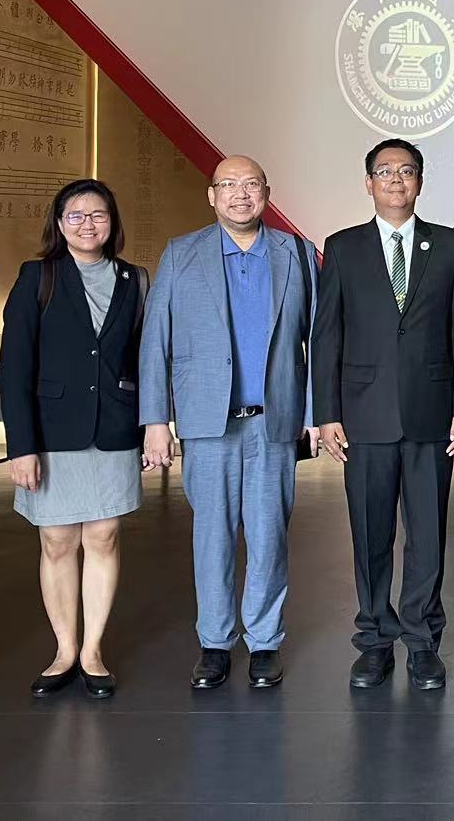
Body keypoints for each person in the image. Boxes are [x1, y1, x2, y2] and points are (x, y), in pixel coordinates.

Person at [139, 156, 319, 691]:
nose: (241, 194)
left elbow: (319, 339)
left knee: (269, 539)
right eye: (229, 185)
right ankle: (215, 643)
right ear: (211, 195)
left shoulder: (296, 253)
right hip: (207, 423)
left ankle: (264, 642)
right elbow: (155, 341)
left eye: (251, 184)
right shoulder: (182, 253)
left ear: (267, 192)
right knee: (212, 538)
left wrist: (315, 416)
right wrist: (155, 419)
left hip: (274, 423)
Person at [312, 139, 454, 691]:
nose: (395, 180)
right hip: (363, 417)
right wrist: (327, 413)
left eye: (406, 171)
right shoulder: (342, 248)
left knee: (427, 535)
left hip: (433, 415)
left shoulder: (451, 246)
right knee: (370, 534)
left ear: (420, 182)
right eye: (384, 171)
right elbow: (327, 335)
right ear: (368, 183)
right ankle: (374, 640)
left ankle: (422, 641)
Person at [0, 179, 145, 700]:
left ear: (113, 221)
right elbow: (14, 365)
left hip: (114, 427)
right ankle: (64, 649)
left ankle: (92, 651)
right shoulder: (37, 276)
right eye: (76, 215)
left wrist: (152, 425)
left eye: (98, 214)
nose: (88, 224)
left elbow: (142, 359)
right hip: (52, 431)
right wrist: (21, 445)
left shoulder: (134, 279)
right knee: (57, 541)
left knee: (103, 537)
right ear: (59, 224)